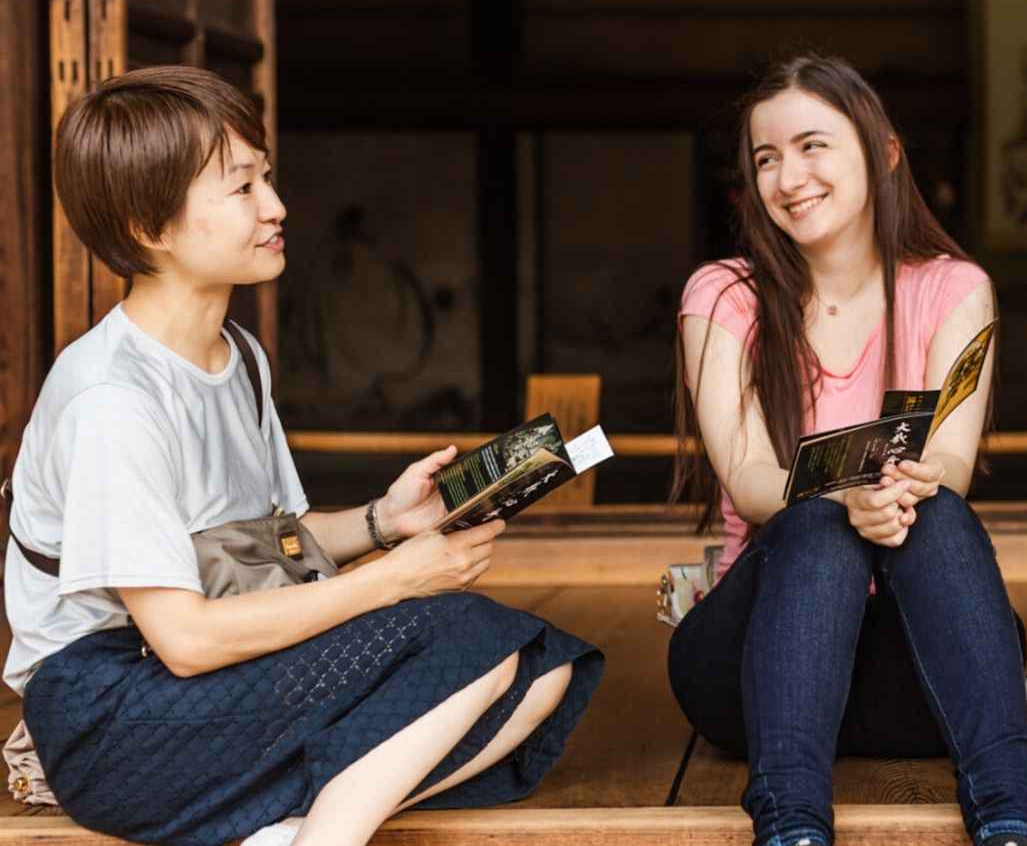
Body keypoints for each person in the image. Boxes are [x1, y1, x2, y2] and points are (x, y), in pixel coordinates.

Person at [4, 66, 603, 846]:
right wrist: (393, 581)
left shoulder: (239, 356)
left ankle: (290, 826)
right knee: (466, 637)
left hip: (205, 677)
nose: (277, 207)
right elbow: (185, 639)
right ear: (149, 226)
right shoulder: (112, 399)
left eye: (268, 179)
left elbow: (261, 547)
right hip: (116, 713)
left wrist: (386, 523)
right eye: (242, 187)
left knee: (542, 668)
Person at [667, 53, 1027, 846]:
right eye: (765, 158)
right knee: (811, 523)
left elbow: (955, 464)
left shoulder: (952, 288)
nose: (787, 176)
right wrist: (844, 492)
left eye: (812, 145)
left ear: (884, 149)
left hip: (910, 675)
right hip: (753, 667)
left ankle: (1012, 816)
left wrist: (898, 482)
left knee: (935, 513)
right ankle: (791, 823)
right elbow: (745, 477)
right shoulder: (723, 295)